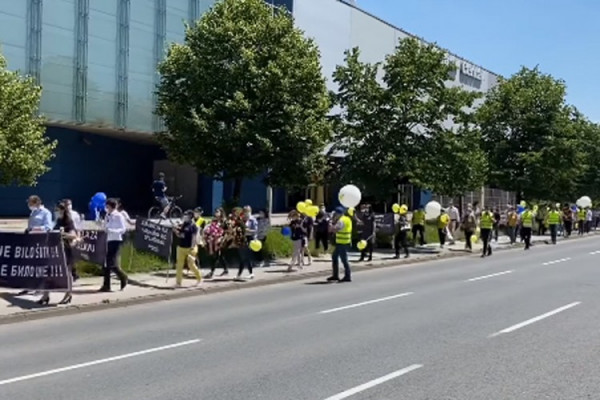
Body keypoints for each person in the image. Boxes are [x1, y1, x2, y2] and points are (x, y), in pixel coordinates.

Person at [37, 202, 78, 305]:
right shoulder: (58, 221)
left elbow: (73, 235)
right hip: (55, 250)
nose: (56, 212)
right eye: (56, 210)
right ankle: (45, 296)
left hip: (65, 250)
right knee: (49, 272)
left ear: (63, 210)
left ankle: (68, 294)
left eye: (58, 210)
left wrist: (62, 234)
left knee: (67, 273)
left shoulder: (68, 221)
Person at [99, 198, 128, 292]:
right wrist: (104, 226)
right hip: (108, 239)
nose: (106, 208)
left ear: (112, 207)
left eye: (108, 207)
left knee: (111, 264)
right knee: (106, 264)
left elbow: (123, 229)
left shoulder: (119, 216)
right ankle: (106, 285)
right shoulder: (107, 215)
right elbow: (106, 225)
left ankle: (123, 277)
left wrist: (112, 231)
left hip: (116, 240)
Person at [173, 210, 202, 287]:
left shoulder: (193, 226)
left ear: (190, 217)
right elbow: (181, 235)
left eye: (186, 216)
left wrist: (192, 248)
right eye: (184, 215)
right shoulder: (184, 224)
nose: (184, 217)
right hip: (181, 247)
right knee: (179, 265)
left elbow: (194, 238)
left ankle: (199, 278)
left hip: (190, 248)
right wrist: (176, 231)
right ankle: (178, 282)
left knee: (191, 265)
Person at [328, 207, 352, 282]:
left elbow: (333, 230)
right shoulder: (347, 219)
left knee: (344, 259)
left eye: (336, 214)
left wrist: (330, 223)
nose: (335, 215)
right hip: (345, 241)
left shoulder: (341, 221)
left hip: (342, 242)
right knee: (334, 256)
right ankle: (335, 275)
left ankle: (347, 276)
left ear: (339, 214)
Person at [204, 208, 228, 279]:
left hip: (221, 240)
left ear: (221, 213)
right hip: (213, 240)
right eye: (215, 212)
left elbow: (227, 232)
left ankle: (212, 272)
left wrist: (222, 239)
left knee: (216, 256)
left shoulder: (224, 221)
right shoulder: (214, 220)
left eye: (217, 212)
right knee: (219, 256)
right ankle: (226, 269)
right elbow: (210, 228)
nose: (216, 213)